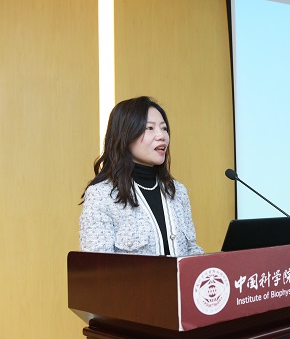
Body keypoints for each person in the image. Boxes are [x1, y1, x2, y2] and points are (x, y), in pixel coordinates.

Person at [79, 96, 204, 257]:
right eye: (150, 128)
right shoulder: (102, 195)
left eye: (164, 128)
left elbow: (192, 249)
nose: (161, 136)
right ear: (125, 135)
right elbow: (99, 265)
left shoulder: (177, 191)